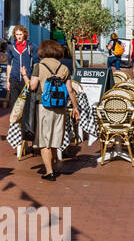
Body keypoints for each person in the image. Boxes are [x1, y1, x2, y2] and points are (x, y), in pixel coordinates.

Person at [27, 39, 80, 180]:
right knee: (56, 137)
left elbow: (32, 86)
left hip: (43, 106)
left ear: (43, 51)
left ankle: (49, 172)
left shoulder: (39, 66)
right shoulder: (64, 68)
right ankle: (55, 164)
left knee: (44, 140)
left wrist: (25, 77)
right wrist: (75, 108)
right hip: (60, 107)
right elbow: (70, 90)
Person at [7, 24, 36, 106]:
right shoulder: (11, 47)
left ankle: (25, 119)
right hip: (14, 79)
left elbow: (36, 64)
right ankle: (14, 119)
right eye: (17, 34)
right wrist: (8, 80)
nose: (18, 37)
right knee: (14, 104)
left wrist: (32, 78)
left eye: (20, 34)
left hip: (26, 79)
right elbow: (9, 65)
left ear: (24, 34)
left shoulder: (31, 46)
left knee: (26, 104)